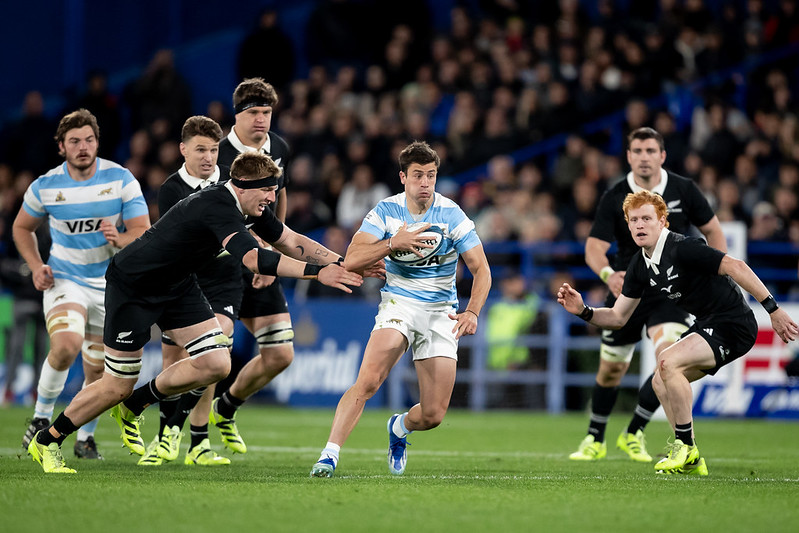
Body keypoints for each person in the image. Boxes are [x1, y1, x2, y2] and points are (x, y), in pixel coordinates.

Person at [27, 151, 364, 474]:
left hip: (177, 284)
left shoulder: (251, 206)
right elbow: (253, 259)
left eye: (274, 190)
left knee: (217, 363)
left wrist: (344, 263)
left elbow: (289, 240)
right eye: (267, 191)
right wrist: (317, 273)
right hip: (134, 285)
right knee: (116, 386)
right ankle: (47, 440)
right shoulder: (217, 204)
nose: (272, 198)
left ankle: (136, 404)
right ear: (243, 187)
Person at [558, 190, 798, 475]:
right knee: (660, 380)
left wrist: (773, 309)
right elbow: (618, 317)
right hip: (708, 324)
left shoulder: (683, 247)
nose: (639, 225)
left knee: (668, 362)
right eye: (634, 220)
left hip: (733, 324)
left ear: (663, 221)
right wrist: (584, 310)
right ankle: (690, 458)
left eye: (647, 218)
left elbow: (736, 266)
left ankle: (685, 446)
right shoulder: (640, 264)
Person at [310, 141, 492, 478]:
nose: (425, 182)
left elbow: (481, 269)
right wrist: (394, 243)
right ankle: (329, 455)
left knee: (433, 415)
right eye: (418, 175)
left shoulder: (452, 214)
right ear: (403, 177)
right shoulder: (386, 211)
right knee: (368, 381)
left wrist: (473, 311)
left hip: (442, 311)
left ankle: (400, 426)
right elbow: (352, 259)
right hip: (399, 303)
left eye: (431, 175)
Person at [570, 127, 727, 463]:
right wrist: (608, 275)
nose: (644, 157)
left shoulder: (684, 189)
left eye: (650, 151)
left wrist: (716, 271)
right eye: (638, 151)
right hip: (628, 290)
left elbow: (713, 230)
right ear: (628, 157)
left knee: (668, 359)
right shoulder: (615, 196)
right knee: (611, 370)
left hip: (670, 293)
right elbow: (594, 247)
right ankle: (595, 438)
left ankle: (635, 432)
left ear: (662, 155)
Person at [14, 109, 151, 460]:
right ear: (61, 146)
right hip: (65, 278)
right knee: (65, 345)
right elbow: (21, 227)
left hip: (110, 284)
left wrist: (119, 238)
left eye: (89, 139)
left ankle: (84, 438)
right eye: (74, 141)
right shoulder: (46, 186)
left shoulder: (121, 179)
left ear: (97, 142)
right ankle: (40, 418)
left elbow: (142, 230)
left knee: (99, 369)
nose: (83, 147)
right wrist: (36, 266)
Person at [136, 115, 238, 467]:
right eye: (200, 150)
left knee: (215, 352)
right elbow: (180, 241)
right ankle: (172, 438)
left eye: (214, 150)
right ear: (183, 150)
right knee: (175, 362)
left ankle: (188, 438)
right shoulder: (171, 189)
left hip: (224, 281)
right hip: (185, 282)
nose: (208, 157)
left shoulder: (231, 182)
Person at [210, 78, 295, 455]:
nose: (261, 119)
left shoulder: (279, 148)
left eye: (267, 112)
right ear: (237, 115)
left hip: (261, 259)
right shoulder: (218, 154)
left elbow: (280, 196)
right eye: (254, 112)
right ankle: (183, 432)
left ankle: (226, 407)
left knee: (280, 354)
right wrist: (252, 249)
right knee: (212, 354)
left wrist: (273, 247)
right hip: (221, 263)